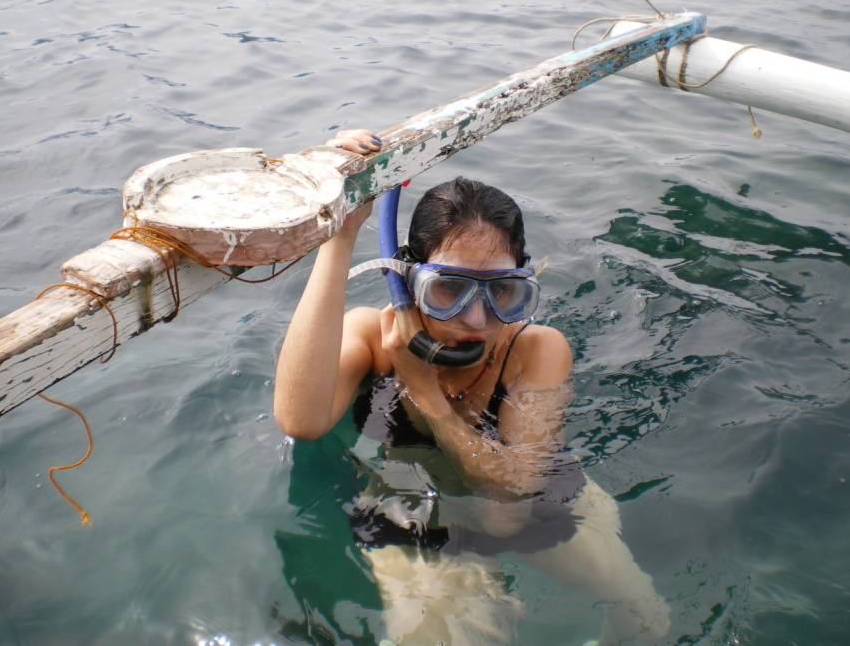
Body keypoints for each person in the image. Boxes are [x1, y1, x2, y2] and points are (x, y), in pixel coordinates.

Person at [275, 129, 669, 646]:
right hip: (410, 509)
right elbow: (300, 422)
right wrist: (340, 234)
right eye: (448, 289)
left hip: (544, 502)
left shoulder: (535, 349)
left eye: (503, 291)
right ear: (406, 280)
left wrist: (427, 397)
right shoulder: (373, 336)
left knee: (646, 621)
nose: (477, 319)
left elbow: (510, 506)